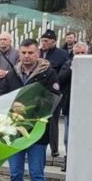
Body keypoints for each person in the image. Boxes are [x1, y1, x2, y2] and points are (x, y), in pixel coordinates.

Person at [8, 39, 60, 181]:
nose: (27, 56)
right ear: (19, 53)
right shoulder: (12, 75)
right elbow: (3, 97)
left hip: (37, 132)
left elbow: (54, 99)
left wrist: (32, 109)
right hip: (16, 131)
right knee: (15, 173)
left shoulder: (49, 74)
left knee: (36, 173)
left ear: (38, 53)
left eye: (30, 52)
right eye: (23, 53)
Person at [57, 42, 87, 172]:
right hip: (70, 105)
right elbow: (60, 79)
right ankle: (68, 159)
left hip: (86, 106)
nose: (80, 56)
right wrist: (71, 69)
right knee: (68, 136)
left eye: (82, 53)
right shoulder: (68, 64)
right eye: (77, 53)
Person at [39, 30, 68, 158]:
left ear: (54, 41)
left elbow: (65, 73)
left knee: (53, 121)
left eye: (46, 41)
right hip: (38, 91)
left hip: (54, 92)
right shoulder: (38, 53)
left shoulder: (61, 54)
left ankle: (54, 148)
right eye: (42, 40)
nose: (43, 43)